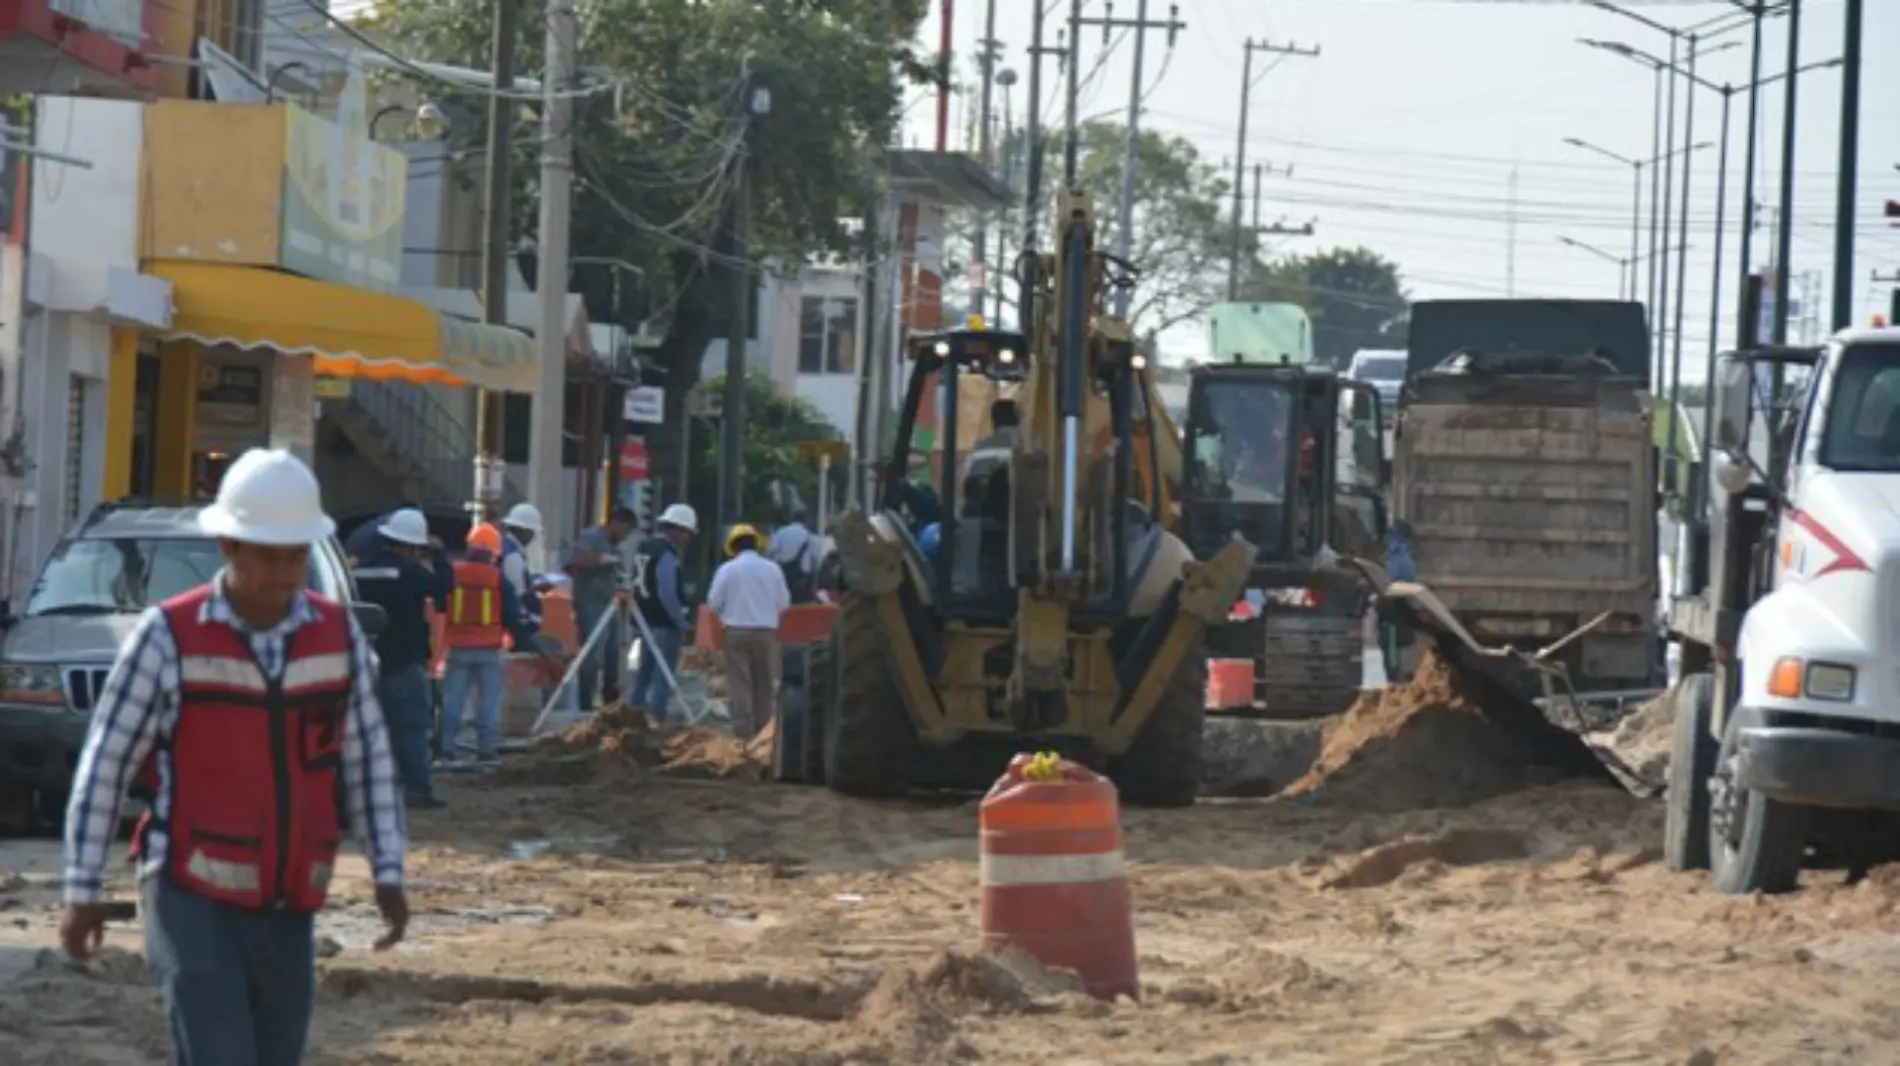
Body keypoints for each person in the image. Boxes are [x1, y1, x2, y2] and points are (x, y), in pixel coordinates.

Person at [60, 448, 408, 1066]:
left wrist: (388, 871)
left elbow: (368, 761)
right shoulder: (168, 635)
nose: (282, 573)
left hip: (289, 901)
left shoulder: (337, 636)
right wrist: (82, 887)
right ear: (227, 546)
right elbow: (106, 762)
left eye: (295, 556)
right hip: (188, 891)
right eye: (266, 556)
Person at [351, 508, 454, 807]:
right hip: (403, 661)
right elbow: (442, 587)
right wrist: (439, 557)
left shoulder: (361, 568)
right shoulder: (408, 572)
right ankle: (416, 790)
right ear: (410, 546)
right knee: (410, 728)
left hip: (365, 661)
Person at [440, 525, 537, 763]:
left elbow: (442, 603)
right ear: (494, 552)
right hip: (489, 649)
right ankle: (486, 749)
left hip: (458, 647)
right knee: (489, 702)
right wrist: (525, 635)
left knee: (453, 700)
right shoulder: (497, 578)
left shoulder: (453, 573)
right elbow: (512, 614)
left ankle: (446, 747)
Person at [707, 523, 790, 738]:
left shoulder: (727, 570)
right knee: (764, 683)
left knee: (739, 683)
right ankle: (764, 731)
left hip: (735, 632)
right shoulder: (773, 569)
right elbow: (784, 603)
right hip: (766, 633)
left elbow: (713, 603)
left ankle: (743, 731)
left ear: (733, 548)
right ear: (757, 545)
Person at [565, 506, 641, 708]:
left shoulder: (615, 547)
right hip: (591, 604)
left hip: (610, 606)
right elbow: (576, 561)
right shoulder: (591, 537)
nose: (625, 538)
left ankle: (610, 702)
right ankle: (585, 702)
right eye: (626, 531)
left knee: (613, 655)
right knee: (592, 655)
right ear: (616, 523)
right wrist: (601, 560)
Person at [629, 504, 698, 724]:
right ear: (677, 530)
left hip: (644, 620)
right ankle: (656, 718)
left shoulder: (644, 547)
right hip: (663, 623)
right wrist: (681, 620)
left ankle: (633, 715)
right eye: (686, 533)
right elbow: (667, 592)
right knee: (662, 675)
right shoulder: (666, 554)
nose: (687, 539)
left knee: (643, 673)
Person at [498, 502, 546, 628]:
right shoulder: (513, 556)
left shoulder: (504, 546)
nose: (533, 537)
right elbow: (518, 594)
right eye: (531, 532)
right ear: (522, 530)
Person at [768, 511, 819, 604]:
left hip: (783, 574)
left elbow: (771, 552)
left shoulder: (781, 532)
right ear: (805, 521)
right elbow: (815, 558)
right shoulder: (809, 535)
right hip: (802, 577)